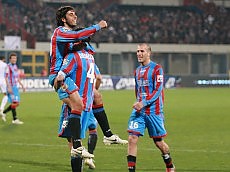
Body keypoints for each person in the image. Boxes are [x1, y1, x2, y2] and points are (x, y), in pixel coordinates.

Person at [49, 5, 108, 165]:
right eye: (71, 14)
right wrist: (98, 26)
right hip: (60, 76)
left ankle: (83, 144)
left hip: (71, 77)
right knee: (79, 105)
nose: (75, 16)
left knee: (90, 99)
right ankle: (78, 145)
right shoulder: (60, 32)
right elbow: (78, 35)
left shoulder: (77, 46)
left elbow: (80, 39)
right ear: (63, 19)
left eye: (75, 13)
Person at [126, 43, 175, 172]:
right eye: (137, 51)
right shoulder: (137, 71)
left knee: (159, 143)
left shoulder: (157, 69)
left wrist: (144, 102)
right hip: (139, 111)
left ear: (149, 53)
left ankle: (170, 166)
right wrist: (138, 103)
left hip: (154, 111)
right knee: (132, 138)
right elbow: (137, 90)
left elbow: (158, 90)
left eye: (142, 51)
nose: (139, 53)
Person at [56, 36, 99, 172]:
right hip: (88, 104)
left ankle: (81, 162)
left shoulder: (72, 57)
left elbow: (60, 77)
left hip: (75, 105)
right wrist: (93, 91)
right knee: (90, 131)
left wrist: (55, 84)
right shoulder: (90, 58)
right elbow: (99, 78)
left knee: (73, 141)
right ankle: (89, 157)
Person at [2, 53, 25, 124]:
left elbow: (17, 77)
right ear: (10, 59)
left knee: (14, 103)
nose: (14, 59)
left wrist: (22, 85)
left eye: (15, 58)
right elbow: (5, 77)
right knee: (16, 103)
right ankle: (13, 118)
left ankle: (6, 114)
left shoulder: (15, 66)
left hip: (15, 87)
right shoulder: (7, 67)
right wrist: (8, 87)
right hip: (10, 87)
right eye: (13, 58)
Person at [0, 56, 8, 121]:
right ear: (3, 59)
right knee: (5, 95)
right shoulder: (5, 65)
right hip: (3, 81)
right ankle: (1, 108)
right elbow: (7, 74)